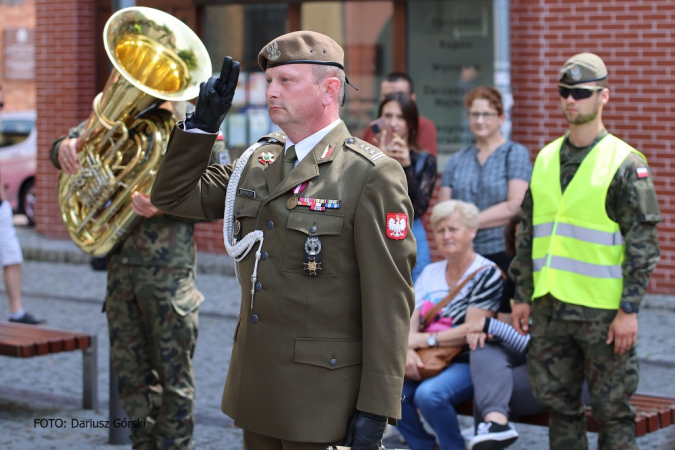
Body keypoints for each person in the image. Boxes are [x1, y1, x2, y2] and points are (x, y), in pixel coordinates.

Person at [150, 31, 416, 450]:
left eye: (286, 81)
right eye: (269, 81)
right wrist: (200, 129)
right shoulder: (259, 161)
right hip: (258, 388)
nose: (271, 91)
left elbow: (390, 302)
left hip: (322, 400)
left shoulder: (368, 174)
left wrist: (376, 408)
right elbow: (173, 196)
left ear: (330, 89)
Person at [50, 101, 228, 449]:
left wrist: (166, 203)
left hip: (169, 274)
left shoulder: (195, 120)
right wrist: (65, 149)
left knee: (174, 378)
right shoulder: (122, 112)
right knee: (130, 376)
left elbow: (220, 196)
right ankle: (141, 443)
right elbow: (64, 144)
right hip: (120, 272)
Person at [509, 53, 661, 449]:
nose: (570, 100)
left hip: (603, 316)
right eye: (564, 91)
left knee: (612, 413)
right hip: (549, 309)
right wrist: (522, 295)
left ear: (604, 96)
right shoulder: (544, 158)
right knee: (559, 408)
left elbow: (643, 246)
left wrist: (629, 311)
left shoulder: (625, 164)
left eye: (580, 92)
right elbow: (527, 233)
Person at [399, 200, 503, 450]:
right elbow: (411, 315)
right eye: (440, 230)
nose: (446, 236)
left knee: (430, 396)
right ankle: (423, 446)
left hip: (467, 360)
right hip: (425, 356)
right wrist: (408, 351)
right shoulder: (430, 272)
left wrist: (423, 340)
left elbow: (472, 328)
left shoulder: (487, 272)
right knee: (391, 391)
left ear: (472, 231)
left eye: (453, 229)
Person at [438, 86, 532, 276]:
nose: (480, 120)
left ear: (501, 118)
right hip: (462, 255)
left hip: (503, 254)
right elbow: (443, 210)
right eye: (474, 114)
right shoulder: (457, 160)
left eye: (487, 114)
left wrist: (468, 223)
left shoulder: (514, 154)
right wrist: (457, 228)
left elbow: (516, 205)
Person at [376, 92, 437, 282]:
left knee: (415, 296)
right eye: (388, 116)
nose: (393, 123)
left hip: (411, 234)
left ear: (410, 123)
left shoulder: (424, 159)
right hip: (376, 233)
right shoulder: (369, 156)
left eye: (400, 117)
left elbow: (419, 208)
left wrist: (407, 166)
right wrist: (381, 162)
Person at [0, 86, 45, 325]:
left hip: (1, 208)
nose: (1, 110)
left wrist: (5, 201)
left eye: (1, 105)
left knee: (12, 257)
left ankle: (16, 311)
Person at [362, 72, 438, 157]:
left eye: (400, 95)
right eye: (387, 96)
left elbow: (428, 164)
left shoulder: (424, 126)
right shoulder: (374, 127)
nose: (393, 100)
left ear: (412, 99)